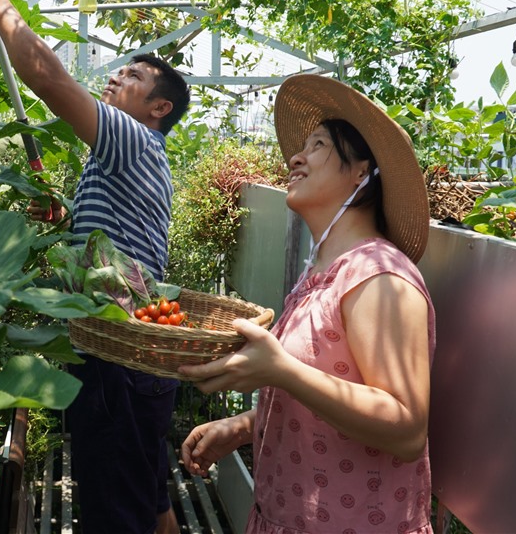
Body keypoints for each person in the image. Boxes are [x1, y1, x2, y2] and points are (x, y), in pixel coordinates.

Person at [0, 0, 191, 534]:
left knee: (114, 504)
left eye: (133, 75)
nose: (117, 74)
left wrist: (1, 4)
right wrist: (70, 218)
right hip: (138, 352)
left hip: (117, 352)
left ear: (158, 108)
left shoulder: (134, 139)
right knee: (146, 490)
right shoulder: (123, 156)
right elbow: (115, 234)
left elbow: (48, 78)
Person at [180, 74, 435, 534]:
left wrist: (280, 369)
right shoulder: (322, 270)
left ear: (362, 172)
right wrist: (244, 425)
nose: (295, 157)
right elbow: (330, 388)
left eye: (317, 145)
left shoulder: (378, 274)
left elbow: (406, 428)